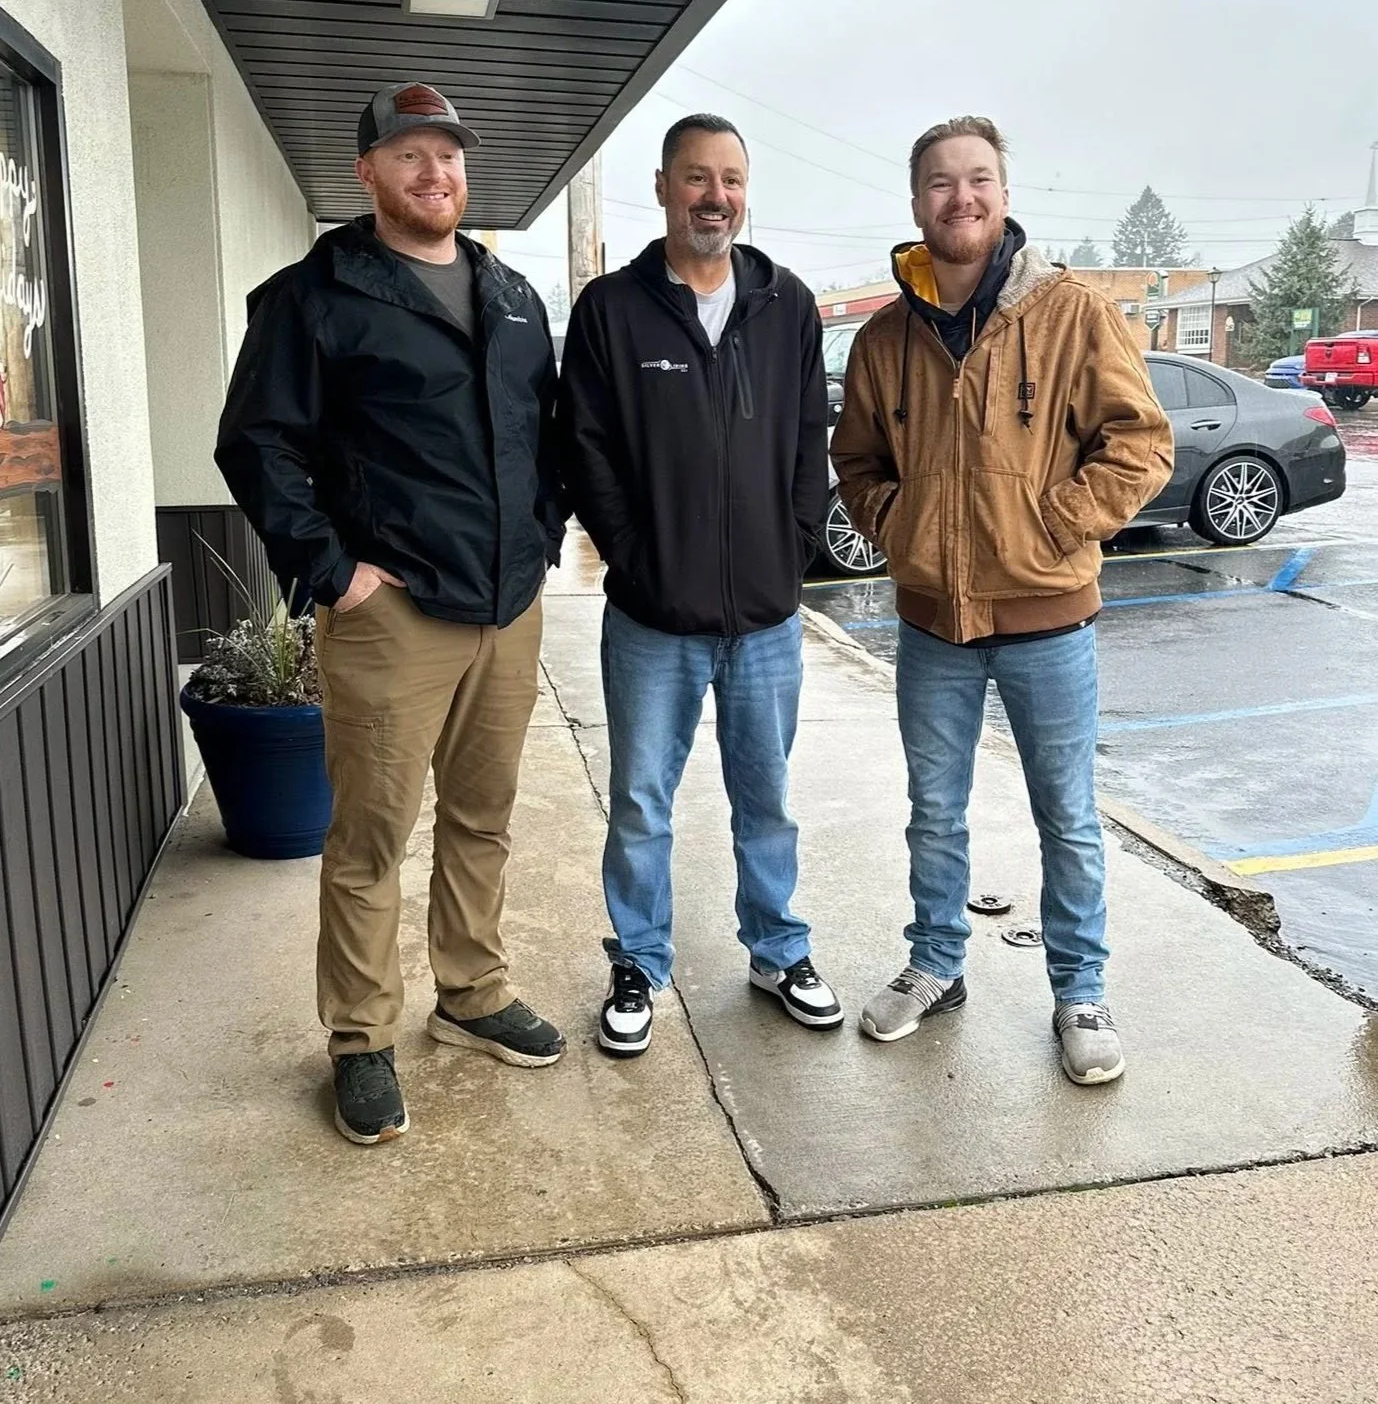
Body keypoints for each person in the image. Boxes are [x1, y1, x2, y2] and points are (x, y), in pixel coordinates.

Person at [216, 81, 566, 1146]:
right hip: (393, 613)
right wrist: (333, 571)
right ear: (366, 171)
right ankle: (361, 1038)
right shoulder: (315, 295)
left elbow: (540, 434)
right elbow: (255, 442)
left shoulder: (511, 297)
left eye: (448, 154)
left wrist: (543, 539)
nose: (434, 172)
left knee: (482, 816)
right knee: (372, 835)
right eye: (409, 154)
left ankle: (470, 991)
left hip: (508, 607)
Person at [831, 117, 1171, 1085]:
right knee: (933, 812)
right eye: (940, 183)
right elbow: (855, 460)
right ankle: (936, 963)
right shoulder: (886, 336)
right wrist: (898, 524)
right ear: (915, 202)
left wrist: (1057, 524)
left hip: (1048, 619)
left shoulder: (1069, 313)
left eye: (977, 179)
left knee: (1064, 814)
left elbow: (1138, 441)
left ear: (1004, 192)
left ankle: (1079, 989)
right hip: (930, 621)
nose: (960, 197)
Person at [558, 112, 840, 1057]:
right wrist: (633, 553)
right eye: (695, 178)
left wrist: (793, 545)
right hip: (651, 619)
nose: (714, 195)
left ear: (743, 192)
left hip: (764, 620)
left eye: (730, 179)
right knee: (642, 800)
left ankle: (777, 947)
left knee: (767, 797)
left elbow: (811, 442)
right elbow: (585, 451)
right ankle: (639, 958)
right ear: (664, 186)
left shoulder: (787, 305)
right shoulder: (611, 311)